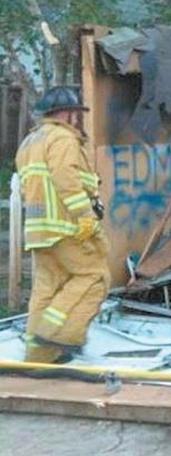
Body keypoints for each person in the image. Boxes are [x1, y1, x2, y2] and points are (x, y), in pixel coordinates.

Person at [15, 86, 109, 363]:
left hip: (39, 231)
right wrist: (86, 216)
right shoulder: (62, 138)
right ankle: (63, 336)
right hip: (67, 227)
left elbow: (27, 187)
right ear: (66, 114)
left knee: (46, 289)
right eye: (76, 113)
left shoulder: (30, 142)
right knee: (94, 277)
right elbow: (64, 176)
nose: (77, 119)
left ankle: (38, 354)